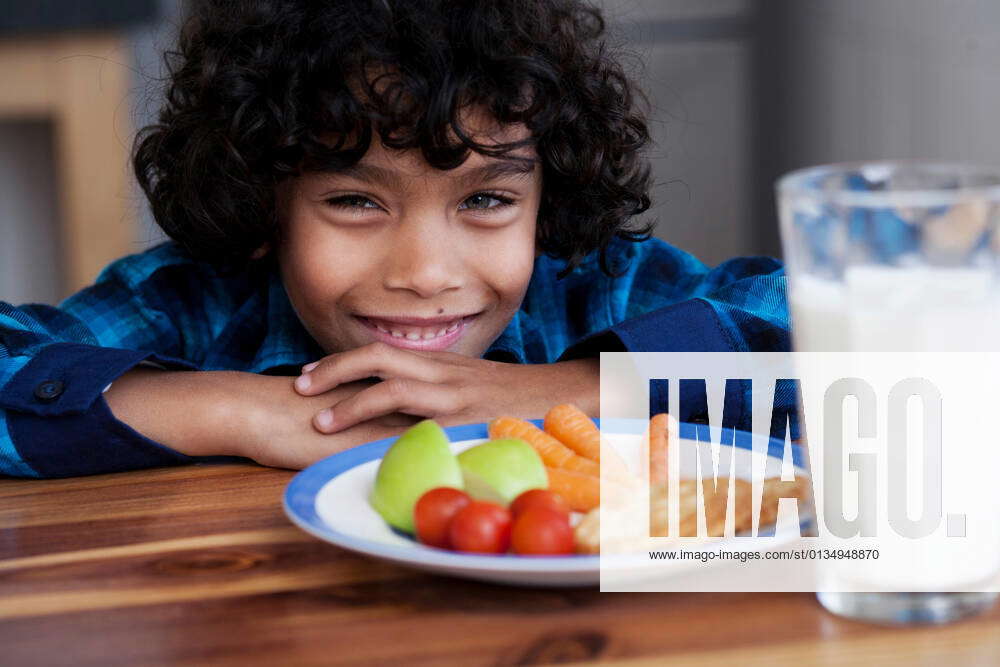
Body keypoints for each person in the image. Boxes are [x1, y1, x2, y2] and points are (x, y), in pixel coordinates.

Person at [0, 0, 788, 478]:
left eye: (485, 198)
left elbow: (837, 337)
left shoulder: (593, 290)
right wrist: (239, 412)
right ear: (262, 197)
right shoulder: (197, 305)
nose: (424, 273)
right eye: (353, 200)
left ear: (547, 199)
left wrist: (563, 390)